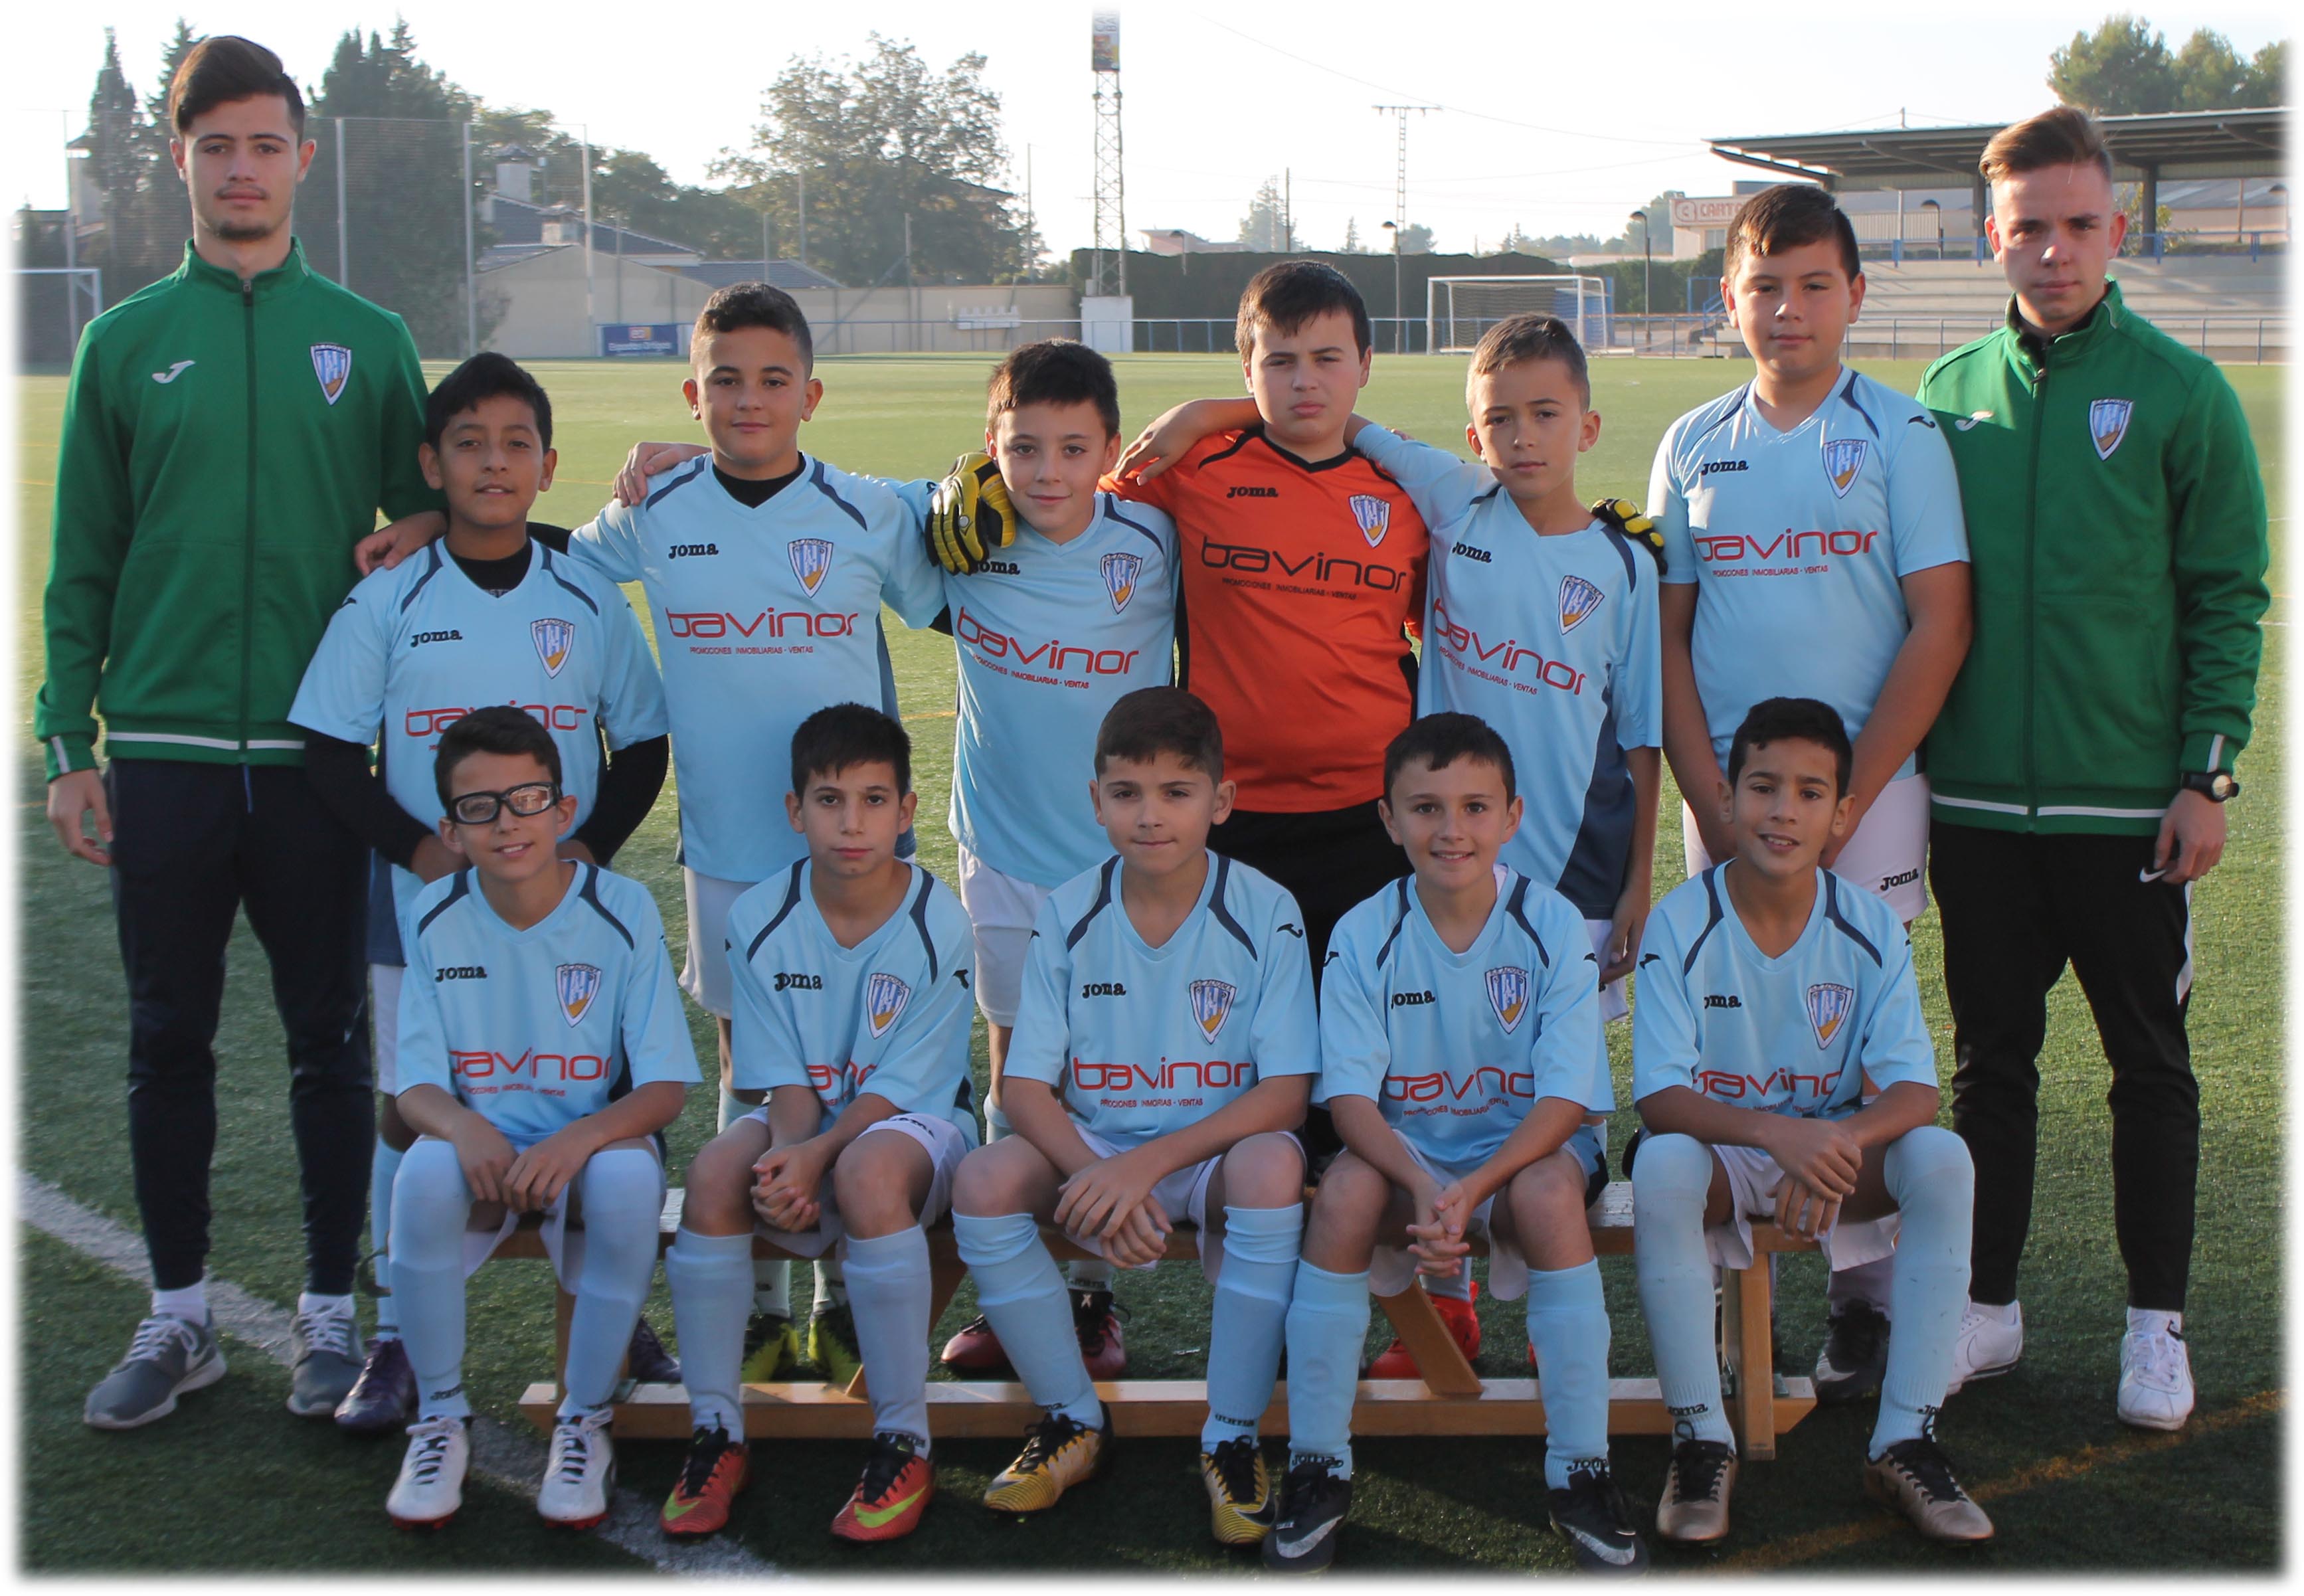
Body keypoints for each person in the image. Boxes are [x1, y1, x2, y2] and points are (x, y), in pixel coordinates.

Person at [377, 283, 950, 1391]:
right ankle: (764, 1302)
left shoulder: (865, 509)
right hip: (728, 845)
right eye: (724, 380)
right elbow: (540, 552)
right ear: (693, 395)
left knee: (860, 1065)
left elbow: (952, 591)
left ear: (811, 395)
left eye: (773, 379)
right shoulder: (659, 507)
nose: (749, 399)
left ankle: (835, 1299)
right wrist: (435, 527)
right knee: (750, 1063)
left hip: (854, 846)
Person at [1093, 311, 1665, 1372]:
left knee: (1541, 1090)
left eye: (1546, 414)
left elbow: (1640, 736)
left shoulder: (1626, 565)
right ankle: (1436, 1311)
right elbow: (1338, 423)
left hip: (1570, 875)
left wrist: (1637, 881)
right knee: (1416, 1076)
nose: (1523, 435)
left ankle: (1541, 1326)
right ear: (1472, 432)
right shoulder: (1450, 499)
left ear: (1587, 426)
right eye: (1500, 418)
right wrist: (1208, 411)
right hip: (1438, 850)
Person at [49, 35, 442, 1431]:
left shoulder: (369, 337)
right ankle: (180, 1317)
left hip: (315, 760)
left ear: (300, 159)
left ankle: (328, 1317)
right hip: (160, 754)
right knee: (168, 1038)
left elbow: (435, 503)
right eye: (215, 146)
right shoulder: (122, 341)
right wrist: (67, 741)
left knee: (329, 1041)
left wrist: (418, 525)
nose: (241, 169)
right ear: (180, 160)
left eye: (265, 144)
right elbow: (82, 557)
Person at [1916, 106, 2269, 1431]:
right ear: (1990, 236)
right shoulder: (1943, 394)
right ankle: (1985, 1307)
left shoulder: (2181, 390)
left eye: (2076, 225)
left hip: (2128, 807)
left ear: (2117, 229)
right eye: (2028, 228)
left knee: (2148, 1065)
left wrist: (2204, 775)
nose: (2052, 251)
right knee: (1989, 1065)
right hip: (1974, 808)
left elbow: (2227, 594)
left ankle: (2153, 1325)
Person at [289, 353, 673, 1431]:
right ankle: (397, 1338)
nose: (492, 463)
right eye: (469, 444)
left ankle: (612, 1319)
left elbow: (642, 739)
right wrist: (415, 847)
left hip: (568, 914)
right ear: (432, 464)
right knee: (410, 1107)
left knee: (591, 1098)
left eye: (515, 444)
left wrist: (588, 845)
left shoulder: (585, 592)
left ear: (546, 466)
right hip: (422, 906)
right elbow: (328, 748)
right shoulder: (390, 594)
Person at [1646, 183, 1973, 1403]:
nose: (1787, 309)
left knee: (1854, 1044)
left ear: (1853, 295)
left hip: (1865, 793)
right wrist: (1706, 796)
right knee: (1730, 1040)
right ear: (1728, 298)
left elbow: (1940, 624)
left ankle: (1862, 1302)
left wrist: (1850, 797)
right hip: (1729, 799)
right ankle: (1732, 1311)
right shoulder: (1691, 440)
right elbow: (1666, 639)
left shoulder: (1900, 433)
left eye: (1812, 285)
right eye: (1763, 287)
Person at [1269, 713, 1642, 1573]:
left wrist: (1470, 1188)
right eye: (1426, 807)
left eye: (1475, 807)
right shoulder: (1364, 931)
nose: (1451, 829)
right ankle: (1318, 1459)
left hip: (1528, 1156)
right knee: (1345, 1192)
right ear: (1388, 818)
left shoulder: (1551, 923)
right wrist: (1422, 1179)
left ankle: (1580, 1465)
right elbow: (1351, 1101)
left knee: (1547, 1192)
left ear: (1512, 816)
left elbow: (1564, 1103)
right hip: (1409, 1158)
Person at [948, 687, 1318, 1546]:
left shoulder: (1265, 907)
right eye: (1126, 792)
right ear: (1096, 800)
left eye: (1175, 791)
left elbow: (1285, 1094)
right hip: (1098, 1146)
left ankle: (1231, 1433)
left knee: (1273, 1162)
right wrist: (1095, 1171)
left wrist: (1139, 1170)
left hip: (1207, 1155)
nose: (1149, 815)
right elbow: (1025, 1087)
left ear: (1220, 801)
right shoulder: (1070, 909)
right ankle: (1071, 1419)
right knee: (984, 1177)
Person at [1629, 697, 1988, 1547]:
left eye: (1809, 792)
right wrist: (1776, 1135)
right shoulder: (1680, 921)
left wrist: (1832, 1141)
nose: (1783, 811)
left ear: (1843, 813)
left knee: (1941, 1159)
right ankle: (1700, 1438)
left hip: (1831, 1157)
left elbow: (1914, 1093)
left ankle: (1904, 1439)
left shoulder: (1867, 925)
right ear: (1724, 801)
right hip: (1729, 1156)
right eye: (1762, 787)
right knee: (1661, 1165)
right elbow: (1659, 1099)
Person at [921, 341, 1181, 1384]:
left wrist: (1202, 409)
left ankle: (1087, 1303)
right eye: (1022, 446)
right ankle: (1011, 1299)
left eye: (1075, 448)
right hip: (1003, 852)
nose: (1047, 470)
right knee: (1013, 1073)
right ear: (989, 447)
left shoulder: (1154, 536)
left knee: (1098, 1079)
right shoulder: (957, 531)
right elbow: (820, 497)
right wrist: (685, 457)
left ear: (1110, 451)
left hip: (1121, 862)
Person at [658, 705, 978, 1544]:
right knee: (714, 1172)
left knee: (865, 1171)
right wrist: (791, 1155)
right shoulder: (759, 917)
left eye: (874, 801)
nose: (851, 823)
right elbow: (785, 1082)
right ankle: (716, 1431)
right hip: (811, 1121)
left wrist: (818, 1156)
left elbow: (904, 1092)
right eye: (830, 801)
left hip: (918, 1128)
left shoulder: (939, 920)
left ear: (906, 811)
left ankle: (903, 1441)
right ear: (795, 811)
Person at [382, 707, 699, 1530]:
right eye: (479, 807)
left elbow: (664, 1088)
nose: (506, 822)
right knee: (420, 1177)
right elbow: (414, 1089)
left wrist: (576, 1139)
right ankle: (439, 1418)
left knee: (627, 1185)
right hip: (481, 1143)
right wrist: (463, 1128)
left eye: (526, 800)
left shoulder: (621, 908)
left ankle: (584, 1419)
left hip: (596, 1142)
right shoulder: (433, 914)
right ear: (450, 831)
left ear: (563, 810)